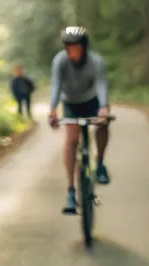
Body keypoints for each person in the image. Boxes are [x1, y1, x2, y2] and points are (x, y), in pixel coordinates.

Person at [47, 25, 111, 214]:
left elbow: (101, 85)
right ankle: (71, 191)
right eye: (69, 47)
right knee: (72, 140)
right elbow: (56, 86)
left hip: (92, 101)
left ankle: (99, 164)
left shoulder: (96, 62)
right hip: (71, 104)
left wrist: (104, 107)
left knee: (103, 125)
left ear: (84, 47)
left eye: (76, 46)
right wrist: (52, 110)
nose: (72, 50)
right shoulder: (60, 61)